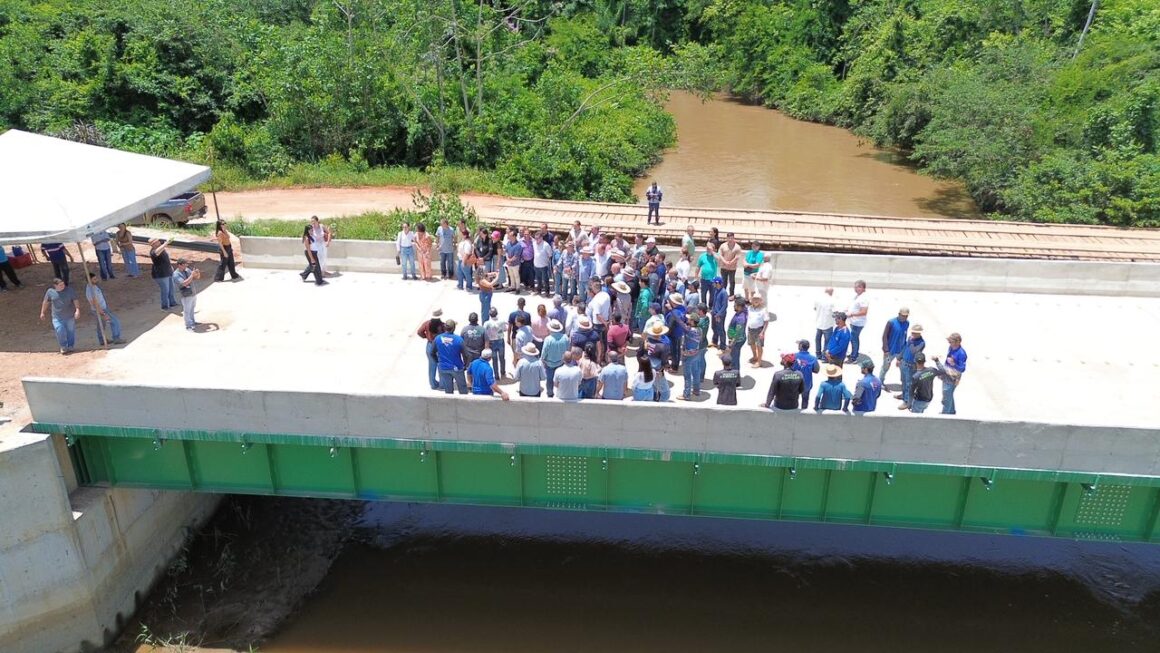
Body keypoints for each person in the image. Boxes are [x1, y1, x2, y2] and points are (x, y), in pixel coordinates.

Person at [39, 278, 81, 354]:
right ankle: (63, 346)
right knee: (59, 330)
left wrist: (77, 310)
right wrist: (42, 312)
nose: (63, 286)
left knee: (70, 331)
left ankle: (71, 346)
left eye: (63, 284)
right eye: (60, 285)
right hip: (57, 317)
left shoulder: (70, 290)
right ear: (55, 286)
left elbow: (75, 300)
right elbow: (46, 302)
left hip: (69, 316)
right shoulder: (50, 292)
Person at [84, 274, 125, 346]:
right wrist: (103, 313)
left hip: (101, 308)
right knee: (115, 321)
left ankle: (102, 340)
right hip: (100, 309)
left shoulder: (93, 287)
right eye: (94, 279)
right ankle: (116, 338)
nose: (96, 280)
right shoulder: (91, 290)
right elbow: (94, 303)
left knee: (101, 325)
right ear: (89, 280)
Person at [896, 324, 926, 410]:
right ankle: (903, 395)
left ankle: (907, 402)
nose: (913, 334)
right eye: (912, 332)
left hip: (911, 366)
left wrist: (911, 342)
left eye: (915, 333)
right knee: (903, 381)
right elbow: (904, 348)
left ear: (919, 333)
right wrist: (899, 358)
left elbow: (914, 351)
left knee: (909, 384)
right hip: (904, 363)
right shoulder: (910, 339)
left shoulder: (921, 343)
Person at [435, 320, 468, 394]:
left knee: (448, 392)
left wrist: (438, 361)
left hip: (444, 368)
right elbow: (466, 354)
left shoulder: (438, 338)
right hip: (457, 368)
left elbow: (431, 352)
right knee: (463, 391)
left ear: (445, 328)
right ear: (454, 328)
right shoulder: (459, 339)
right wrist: (465, 365)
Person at [939, 332, 968, 415]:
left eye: (951, 342)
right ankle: (951, 412)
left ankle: (945, 415)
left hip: (953, 378)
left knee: (947, 397)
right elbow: (947, 360)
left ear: (957, 342)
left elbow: (962, 369)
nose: (949, 343)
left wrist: (953, 364)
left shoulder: (961, 353)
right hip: (947, 374)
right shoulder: (951, 348)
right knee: (948, 395)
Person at [880, 307, 910, 382]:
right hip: (890, 350)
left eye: (906, 316)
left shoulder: (907, 323)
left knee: (903, 367)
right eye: (903, 315)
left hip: (901, 350)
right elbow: (885, 336)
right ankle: (880, 381)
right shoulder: (891, 322)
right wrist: (886, 350)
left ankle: (904, 383)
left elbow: (904, 335)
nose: (905, 317)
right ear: (899, 314)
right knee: (885, 367)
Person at [541, 319, 570, 397]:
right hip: (561, 363)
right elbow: (568, 350)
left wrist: (542, 360)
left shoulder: (548, 339)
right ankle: (560, 393)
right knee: (561, 380)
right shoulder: (565, 337)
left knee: (549, 380)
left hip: (549, 364)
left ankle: (550, 394)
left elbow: (544, 352)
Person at [418, 309, 445, 390]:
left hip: (430, 345)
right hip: (439, 346)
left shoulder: (426, 323)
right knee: (440, 365)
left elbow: (419, 332)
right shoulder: (442, 325)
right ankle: (442, 384)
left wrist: (426, 337)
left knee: (432, 365)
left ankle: (433, 384)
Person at [679, 313, 704, 400]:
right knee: (696, 372)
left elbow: (679, 322)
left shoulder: (689, 330)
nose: (687, 320)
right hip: (696, 353)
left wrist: (671, 310)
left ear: (692, 321)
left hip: (688, 355)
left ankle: (686, 395)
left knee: (687, 375)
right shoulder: (700, 329)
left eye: (689, 319)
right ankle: (696, 390)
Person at [172, 258, 201, 331]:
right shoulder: (176, 274)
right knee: (187, 310)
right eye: (184, 264)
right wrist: (192, 275)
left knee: (192, 309)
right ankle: (188, 325)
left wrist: (197, 273)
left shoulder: (187, 270)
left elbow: (196, 277)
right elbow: (184, 283)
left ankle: (192, 322)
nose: (186, 266)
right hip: (185, 295)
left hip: (192, 293)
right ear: (179, 265)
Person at [148, 238, 177, 308]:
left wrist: (171, 267)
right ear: (153, 244)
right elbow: (156, 253)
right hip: (161, 274)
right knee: (165, 290)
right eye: (156, 242)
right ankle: (165, 306)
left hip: (168, 271)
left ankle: (172, 303)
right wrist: (165, 244)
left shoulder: (161, 249)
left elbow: (166, 259)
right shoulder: (153, 251)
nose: (159, 242)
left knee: (171, 289)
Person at [846, 280, 869, 363]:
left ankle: (853, 357)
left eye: (859, 287)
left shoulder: (863, 298)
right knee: (853, 339)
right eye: (855, 287)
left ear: (863, 288)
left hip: (858, 323)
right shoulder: (857, 296)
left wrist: (851, 314)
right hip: (854, 322)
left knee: (854, 339)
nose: (856, 288)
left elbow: (864, 312)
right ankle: (853, 353)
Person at [794, 339, 820, 409]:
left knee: (794, 399)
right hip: (806, 383)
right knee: (805, 399)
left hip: (794, 382)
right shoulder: (813, 358)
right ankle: (804, 414)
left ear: (801, 346)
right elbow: (816, 370)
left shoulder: (793, 356)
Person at [483, 307, 506, 380]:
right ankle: (503, 371)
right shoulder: (502, 321)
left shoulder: (487, 323)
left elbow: (484, 332)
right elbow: (505, 329)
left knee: (494, 359)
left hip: (491, 342)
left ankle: (496, 376)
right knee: (502, 358)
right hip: (500, 340)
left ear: (489, 314)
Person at [746, 295, 769, 367]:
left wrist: (763, 332)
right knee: (752, 344)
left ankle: (759, 362)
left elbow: (766, 322)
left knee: (759, 346)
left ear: (760, 301)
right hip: (750, 329)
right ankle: (755, 356)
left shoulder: (763, 310)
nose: (756, 300)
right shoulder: (749, 308)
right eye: (754, 299)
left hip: (759, 330)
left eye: (758, 299)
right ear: (751, 300)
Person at [726, 296, 748, 371]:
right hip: (738, 339)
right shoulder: (744, 310)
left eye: (735, 305)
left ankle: (735, 376)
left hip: (737, 341)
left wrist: (731, 343)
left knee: (734, 359)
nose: (733, 306)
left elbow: (738, 333)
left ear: (739, 307)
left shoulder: (740, 319)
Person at [717, 233, 742, 297]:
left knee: (732, 281)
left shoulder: (737, 247)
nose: (730, 239)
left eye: (731, 238)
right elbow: (720, 255)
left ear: (734, 238)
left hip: (732, 268)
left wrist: (730, 262)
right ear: (727, 238)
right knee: (723, 281)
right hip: (723, 267)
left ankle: (731, 295)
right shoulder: (723, 245)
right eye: (729, 238)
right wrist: (725, 262)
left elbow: (737, 257)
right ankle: (723, 293)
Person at [813, 287, 835, 355]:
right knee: (827, 341)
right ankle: (824, 356)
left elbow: (815, 308)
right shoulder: (832, 300)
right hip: (828, 324)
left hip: (819, 323)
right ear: (831, 292)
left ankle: (818, 354)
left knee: (818, 339)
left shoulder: (817, 299)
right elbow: (834, 312)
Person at [710, 277, 728, 349]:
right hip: (714, 313)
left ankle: (723, 346)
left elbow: (724, 305)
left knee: (720, 329)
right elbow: (715, 302)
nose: (713, 284)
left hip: (720, 315)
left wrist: (719, 314)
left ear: (718, 283)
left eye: (714, 282)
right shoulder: (716, 290)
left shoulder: (724, 292)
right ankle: (715, 342)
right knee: (714, 327)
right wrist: (712, 310)